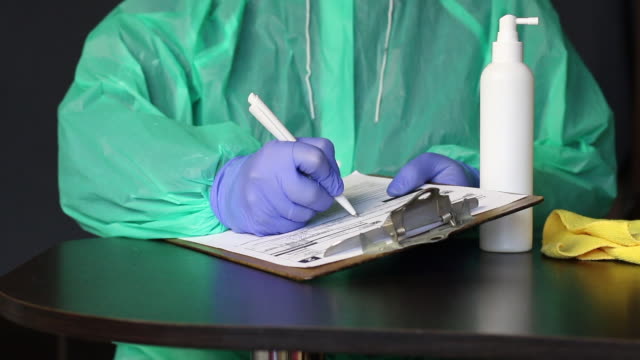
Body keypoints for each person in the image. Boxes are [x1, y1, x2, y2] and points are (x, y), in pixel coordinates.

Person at [58, 0, 616, 358]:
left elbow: (582, 160)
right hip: (208, 344)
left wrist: (485, 183)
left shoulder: (494, 10)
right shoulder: (178, 17)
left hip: (440, 337)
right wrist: (219, 183)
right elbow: (97, 134)